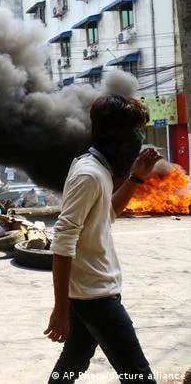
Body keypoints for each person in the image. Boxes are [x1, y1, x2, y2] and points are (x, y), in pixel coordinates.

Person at [44, 94, 162, 383]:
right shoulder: (89, 174)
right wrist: (60, 309)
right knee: (139, 376)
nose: (139, 140)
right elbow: (62, 241)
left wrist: (136, 178)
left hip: (90, 293)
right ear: (118, 135)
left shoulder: (98, 169)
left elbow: (107, 212)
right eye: (137, 131)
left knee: (73, 362)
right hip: (97, 298)